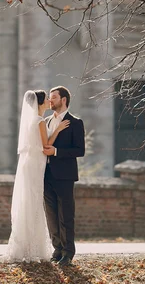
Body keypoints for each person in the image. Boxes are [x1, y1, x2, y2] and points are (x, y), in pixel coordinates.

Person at [3, 89, 70, 262]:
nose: (49, 100)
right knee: (33, 204)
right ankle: (33, 248)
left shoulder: (31, 121)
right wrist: (58, 129)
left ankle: (24, 246)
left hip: (30, 164)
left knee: (28, 203)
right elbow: (46, 145)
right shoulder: (40, 121)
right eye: (47, 98)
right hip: (35, 166)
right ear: (40, 103)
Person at [43, 86, 85, 266]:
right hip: (46, 175)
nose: (50, 101)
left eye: (53, 97)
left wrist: (56, 151)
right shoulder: (45, 121)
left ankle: (68, 252)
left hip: (65, 176)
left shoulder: (75, 122)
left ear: (64, 100)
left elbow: (79, 150)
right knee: (51, 214)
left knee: (65, 215)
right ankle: (57, 249)